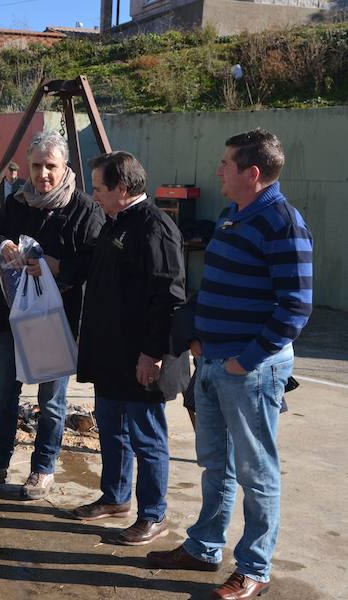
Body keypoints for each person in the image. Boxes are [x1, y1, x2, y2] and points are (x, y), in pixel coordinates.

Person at [148, 129, 312, 599]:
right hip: (215, 363)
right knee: (216, 464)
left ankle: (254, 569)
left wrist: (247, 360)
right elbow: (215, 287)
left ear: (252, 173)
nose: (219, 170)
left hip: (250, 371)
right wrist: (198, 338)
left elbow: (296, 307)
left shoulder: (282, 223)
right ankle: (204, 547)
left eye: (226, 163)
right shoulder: (231, 217)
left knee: (257, 472)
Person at [0, 130, 105, 500]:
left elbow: (96, 261)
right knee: (4, 392)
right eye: (37, 166)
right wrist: (2, 245)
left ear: (65, 167)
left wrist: (59, 267)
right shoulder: (18, 204)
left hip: (54, 322)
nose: (43, 175)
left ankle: (42, 469)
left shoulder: (84, 208)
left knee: (51, 402)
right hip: (14, 317)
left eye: (50, 167)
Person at [72, 151, 185, 546]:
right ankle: (115, 497)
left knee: (147, 438)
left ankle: (153, 515)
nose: (94, 195)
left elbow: (168, 298)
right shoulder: (114, 223)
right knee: (111, 430)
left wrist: (152, 354)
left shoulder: (155, 228)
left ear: (122, 188)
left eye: (100, 188)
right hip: (111, 357)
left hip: (142, 359)